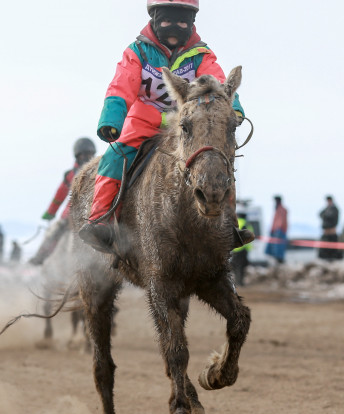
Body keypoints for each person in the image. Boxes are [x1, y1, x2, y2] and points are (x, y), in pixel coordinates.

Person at [77, 0, 247, 253]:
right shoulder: (137, 52)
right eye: (167, 20)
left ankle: (228, 226)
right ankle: (101, 220)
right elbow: (121, 85)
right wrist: (111, 120)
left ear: (192, 23)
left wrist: (234, 109)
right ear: (155, 19)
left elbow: (219, 81)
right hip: (143, 121)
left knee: (218, 158)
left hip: (188, 125)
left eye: (182, 22)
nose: (174, 27)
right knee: (115, 156)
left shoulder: (201, 54)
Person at [30, 137, 97, 265]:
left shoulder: (99, 170)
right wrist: (50, 212)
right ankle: (41, 256)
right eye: (83, 154)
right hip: (71, 213)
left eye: (89, 154)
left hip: (92, 210)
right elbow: (59, 195)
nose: (86, 157)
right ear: (77, 156)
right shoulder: (71, 174)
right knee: (56, 231)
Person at [231, 211, 253, 286]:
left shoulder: (234, 224)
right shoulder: (245, 224)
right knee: (241, 266)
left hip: (235, 249)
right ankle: (239, 282)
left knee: (236, 265)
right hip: (242, 250)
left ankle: (237, 281)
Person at [265, 195, 288, 264]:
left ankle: (279, 260)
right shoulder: (277, 209)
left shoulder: (282, 209)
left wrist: (276, 229)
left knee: (278, 247)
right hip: (276, 230)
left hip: (279, 230)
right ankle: (277, 260)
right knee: (274, 247)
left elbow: (280, 221)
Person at [318, 196, 342, 261]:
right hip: (326, 233)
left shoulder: (334, 209)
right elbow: (320, 214)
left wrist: (326, 215)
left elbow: (330, 217)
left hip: (332, 232)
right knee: (324, 251)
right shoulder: (326, 209)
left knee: (333, 251)